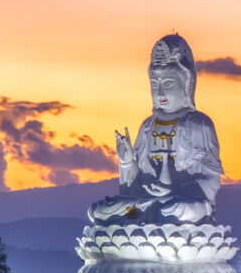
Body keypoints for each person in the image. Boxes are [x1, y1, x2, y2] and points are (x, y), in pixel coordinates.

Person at [88, 34, 223, 226]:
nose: (160, 93)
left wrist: (172, 192)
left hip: (180, 204)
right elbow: (131, 190)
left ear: (186, 83)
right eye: (155, 84)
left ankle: (147, 224)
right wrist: (126, 162)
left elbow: (211, 182)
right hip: (145, 204)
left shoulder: (198, 124)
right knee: (99, 211)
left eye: (168, 83)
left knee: (177, 211)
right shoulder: (147, 126)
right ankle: (144, 222)